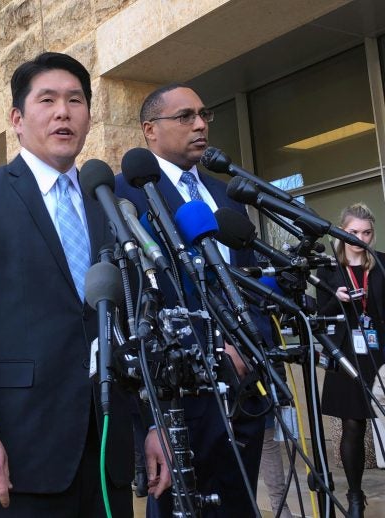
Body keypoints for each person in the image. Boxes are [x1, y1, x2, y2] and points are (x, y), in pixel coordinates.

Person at [0, 52, 137, 517]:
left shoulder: (108, 201)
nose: (64, 111)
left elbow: (130, 323)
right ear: (17, 119)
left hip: (107, 447)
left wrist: (150, 429)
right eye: (48, 100)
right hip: (16, 448)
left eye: (76, 100)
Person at [114, 83, 267, 517]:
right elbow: (130, 305)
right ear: (150, 130)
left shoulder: (224, 195)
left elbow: (249, 280)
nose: (200, 125)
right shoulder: (123, 194)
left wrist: (249, 344)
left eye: (203, 114)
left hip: (239, 393)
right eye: (185, 117)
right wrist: (150, 418)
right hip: (176, 398)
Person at [318, 202, 385, 518]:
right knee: (353, 425)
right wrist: (337, 299)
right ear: (341, 232)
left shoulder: (382, 265)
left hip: (379, 352)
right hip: (345, 355)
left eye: (366, 233)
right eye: (353, 232)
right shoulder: (329, 270)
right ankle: (355, 495)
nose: (361, 238)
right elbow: (320, 317)